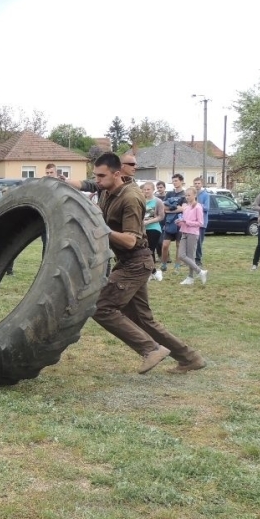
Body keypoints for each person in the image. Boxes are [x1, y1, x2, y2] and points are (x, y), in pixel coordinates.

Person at [87, 153, 204, 374]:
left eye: (101, 176)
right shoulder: (107, 189)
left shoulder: (130, 197)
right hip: (129, 262)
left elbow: (130, 240)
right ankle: (190, 358)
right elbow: (89, 185)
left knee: (102, 307)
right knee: (143, 320)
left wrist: (101, 229)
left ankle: (150, 349)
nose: (98, 180)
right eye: (96, 176)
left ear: (117, 174)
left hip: (135, 262)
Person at [176, 188, 207, 285]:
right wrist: (180, 222)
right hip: (184, 232)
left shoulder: (198, 207)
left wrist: (187, 222)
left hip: (193, 233)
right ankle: (200, 272)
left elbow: (200, 223)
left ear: (195, 195)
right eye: (186, 195)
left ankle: (190, 277)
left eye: (189, 195)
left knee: (190, 256)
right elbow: (185, 220)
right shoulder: (186, 207)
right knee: (181, 255)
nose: (187, 197)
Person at [160, 174, 187, 274]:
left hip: (179, 223)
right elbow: (164, 208)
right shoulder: (169, 194)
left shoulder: (184, 194)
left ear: (181, 181)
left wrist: (170, 210)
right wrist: (175, 209)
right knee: (165, 245)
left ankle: (177, 266)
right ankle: (163, 264)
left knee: (179, 245)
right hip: (169, 223)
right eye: (173, 181)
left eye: (176, 181)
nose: (174, 183)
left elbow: (183, 209)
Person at [142, 182, 164, 281]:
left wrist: (149, 221)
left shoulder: (158, 201)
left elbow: (161, 216)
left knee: (149, 250)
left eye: (148, 189)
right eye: (144, 189)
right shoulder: (141, 201)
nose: (146, 191)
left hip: (154, 228)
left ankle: (152, 272)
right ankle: (153, 271)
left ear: (153, 190)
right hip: (142, 229)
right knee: (145, 251)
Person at [192, 177, 209, 266]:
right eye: (195, 183)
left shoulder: (205, 195)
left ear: (201, 184)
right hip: (192, 221)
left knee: (199, 241)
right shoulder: (192, 194)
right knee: (192, 241)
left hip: (201, 222)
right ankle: (191, 258)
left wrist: (197, 205)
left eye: (198, 183)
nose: (197, 185)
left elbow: (206, 208)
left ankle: (198, 259)